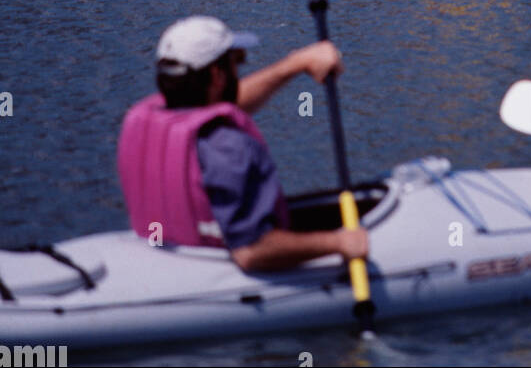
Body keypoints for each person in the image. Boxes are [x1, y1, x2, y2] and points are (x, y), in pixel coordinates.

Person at [117, 16, 369, 272]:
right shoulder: (228, 147)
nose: (239, 70)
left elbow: (218, 106)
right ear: (217, 75)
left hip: (165, 256)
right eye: (236, 62)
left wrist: (296, 65)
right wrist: (338, 242)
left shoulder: (140, 117)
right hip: (225, 279)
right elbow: (251, 252)